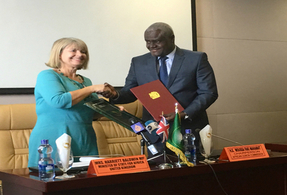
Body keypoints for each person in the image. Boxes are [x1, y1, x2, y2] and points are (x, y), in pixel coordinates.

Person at [103, 22, 218, 157]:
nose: (151, 45)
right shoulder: (138, 62)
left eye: (156, 41)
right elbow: (130, 93)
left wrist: (183, 114)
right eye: (147, 41)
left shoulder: (196, 59)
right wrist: (115, 94)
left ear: (171, 38)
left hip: (189, 132)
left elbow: (208, 93)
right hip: (155, 134)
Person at [28, 37, 109, 167]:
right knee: (54, 181)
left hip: (84, 139)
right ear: (59, 54)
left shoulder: (86, 81)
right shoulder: (47, 75)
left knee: (86, 183)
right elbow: (58, 101)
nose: (80, 54)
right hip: (54, 138)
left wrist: (113, 111)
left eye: (83, 51)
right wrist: (92, 89)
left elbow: (91, 113)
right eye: (73, 50)